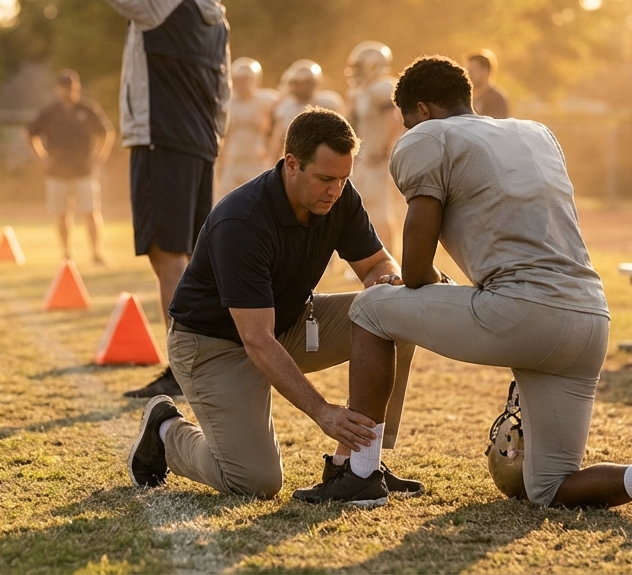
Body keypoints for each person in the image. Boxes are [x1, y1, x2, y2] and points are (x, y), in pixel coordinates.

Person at [293, 56, 632, 524]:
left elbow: (415, 267)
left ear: (420, 109)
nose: (406, 130)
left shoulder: (427, 137)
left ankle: (358, 472)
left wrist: (429, 283)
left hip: (521, 311)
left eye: (407, 121)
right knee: (548, 486)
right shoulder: (537, 133)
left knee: (373, 306)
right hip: (589, 318)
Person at [125, 108, 423, 501]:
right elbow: (257, 341)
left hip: (287, 323)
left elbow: (376, 263)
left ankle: (357, 466)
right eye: (325, 179)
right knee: (255, 482)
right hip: (214, 345)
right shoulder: (242, 221)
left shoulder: (340, 197)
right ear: (292, 164)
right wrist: (322, 411)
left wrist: (385, 279)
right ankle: (164, 432)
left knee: (393, 314)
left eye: (343, 179)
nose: (336, 190)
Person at [23, 0, 230, 399]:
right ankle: (204, 364)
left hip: (162, 140)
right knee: (188, 256)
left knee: (168, 257)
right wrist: (214, 135)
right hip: (197, 142)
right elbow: (222, 84)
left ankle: (184, 368)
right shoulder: (214, 14)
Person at [27, 69, 114, 264]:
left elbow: (106, 132)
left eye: (73, 87)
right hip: (57, 172)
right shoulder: (49, 112)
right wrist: (41, 157)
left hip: (83, 170)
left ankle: (96, 253)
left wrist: (100, 155)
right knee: (61, 215)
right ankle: (66, 253)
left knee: (90, 213)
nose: (69, 91)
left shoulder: (87, 109)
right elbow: (30, 133)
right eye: (65, 87)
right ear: (58, 89)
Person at [344, 41, 404, 251]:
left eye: (360, 66)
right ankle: (370, 254)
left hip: (377, 158)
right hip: (364, 158)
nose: (356, 72)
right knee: (363, 210)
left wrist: (384, 150)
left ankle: (388, 254)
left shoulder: (383, 88)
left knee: (380, 211)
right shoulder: (361, 92)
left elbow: (393, 120)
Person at [214, 57, 278, 200]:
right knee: (224, 202)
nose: (241, 83)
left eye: (245, 79)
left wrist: (273, 154)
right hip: (232, 161)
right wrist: (220, 164)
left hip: (257, 161)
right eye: (238, 79)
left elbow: (278, 129)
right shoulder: (227, 102)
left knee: (258, 201)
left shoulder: (267, 100)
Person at [267, 60, 345, 159]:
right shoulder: (286, 108)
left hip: (323, 159)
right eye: (297, 84)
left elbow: (342, 134)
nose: (300, 88)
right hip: (294, 160)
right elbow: (277, 140)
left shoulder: (328, 103)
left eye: (305, 83)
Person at [466, 49, 509, 118]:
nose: (469, 73)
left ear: (485, 71)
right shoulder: (466, 97)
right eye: (467, 69)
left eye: (473, 69)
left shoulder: (496, 99)